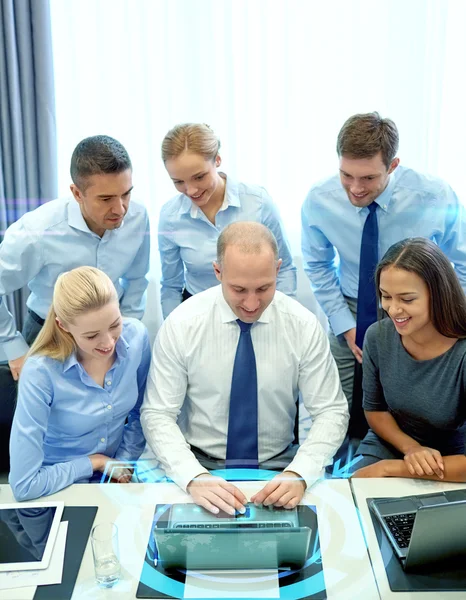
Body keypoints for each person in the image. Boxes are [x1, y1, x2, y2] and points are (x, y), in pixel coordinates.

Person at [141, 222, 349, 515]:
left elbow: (331, 411)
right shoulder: (181, 325)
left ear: (278, 270)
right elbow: (158, 413)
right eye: (238, 289)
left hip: (280, 466)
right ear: (218, 272)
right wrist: (192, 476)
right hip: (199, 465)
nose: (252, 304)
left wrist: (300, 473)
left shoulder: (302, 326)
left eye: (264, 288)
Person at [301, 112, 466, 411]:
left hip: (421, 311)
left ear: (393, 165)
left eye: (368, 178)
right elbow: (317, 265)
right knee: (337, 407)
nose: (355, 188)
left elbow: (464, 263)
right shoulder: (319, 199)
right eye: (346, 175)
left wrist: (444, 317)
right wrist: (345, 325)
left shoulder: (434, 196)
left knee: (410, 406)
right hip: (351, 308)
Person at [0, 135, 150, 380]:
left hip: (110, 334)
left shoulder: (138, 216)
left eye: (126, 194)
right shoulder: (36, 231)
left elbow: (136, 279)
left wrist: (124, 332)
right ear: (77, 193)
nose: (120, 209)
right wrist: (14, 348)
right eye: (106, 199)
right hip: (51, 336)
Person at [9, 266, 151, 501]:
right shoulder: (41, 372)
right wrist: (94, 463)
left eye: (115, 324)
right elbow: (24, 486)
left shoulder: (136, 337)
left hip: (114, 481)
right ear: (63, 326)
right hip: (55, 486)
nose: (108, 343)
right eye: (91, 335)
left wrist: (121, 464)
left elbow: (142, 412)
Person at [352, 238, 466, 482]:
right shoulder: (378, 336)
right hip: (392, 442)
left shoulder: (462, 352)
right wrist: (411, 449)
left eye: (407, 299)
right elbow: (375, 411)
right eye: (386, 296)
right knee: (353, 492)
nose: (393, 310)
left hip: (456, 458)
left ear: (438, 295)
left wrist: (391, 468)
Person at [158, 123, 297, 318]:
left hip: (258, 309)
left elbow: (285, 269)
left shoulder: (257, 202)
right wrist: (172, 329)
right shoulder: (170, 217)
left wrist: (282, 318)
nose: (191, 190)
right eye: (178, 182)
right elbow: (171, 285)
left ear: (217, 160)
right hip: (198, 314)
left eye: (199, 177)